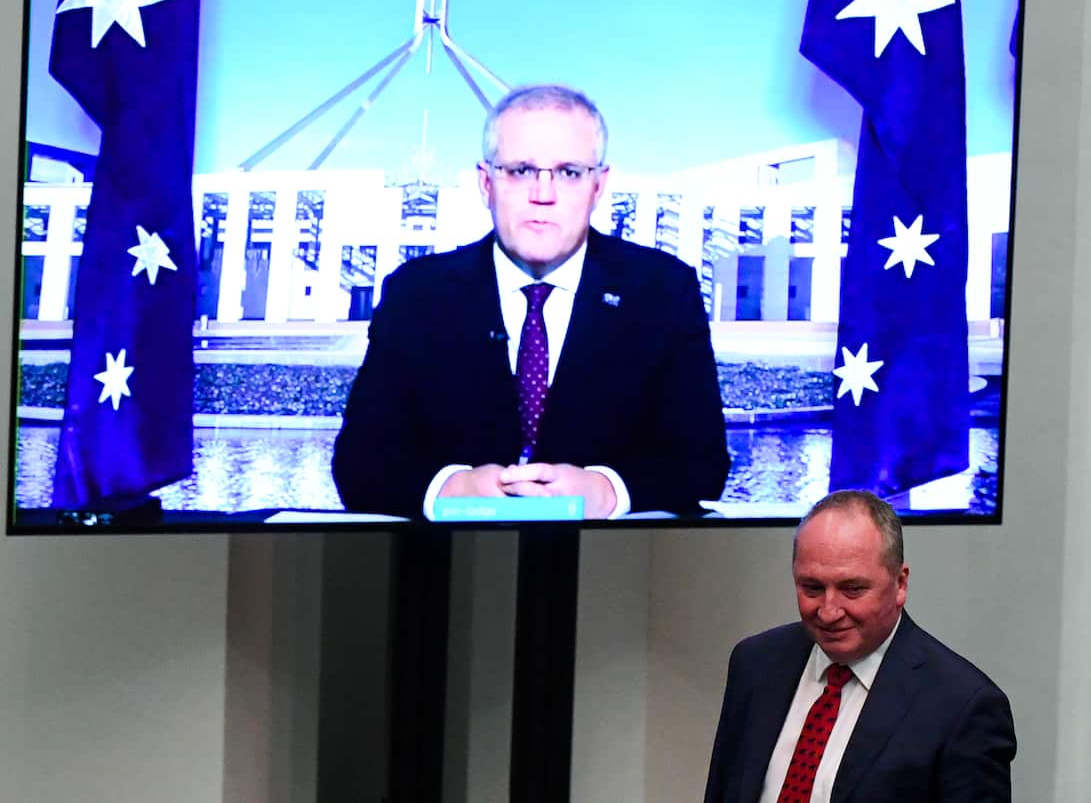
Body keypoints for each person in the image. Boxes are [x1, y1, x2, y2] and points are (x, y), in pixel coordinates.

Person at [333, 84, 729, 519]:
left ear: (598, 186)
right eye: (521, 170)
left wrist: (607, 491)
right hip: (450, 572)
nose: (543, 193)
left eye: (569, 172)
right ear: (486, 183)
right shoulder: (417, 294)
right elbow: (359, 461)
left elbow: (703, 462)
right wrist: (451, 488)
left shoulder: (663, 291)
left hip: (612, 574)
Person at [704, 490, 1016, 802]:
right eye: (812, 588)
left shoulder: (963, 707)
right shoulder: (756, 663)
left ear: (900, 584)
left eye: (852, 589)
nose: (828, 611)